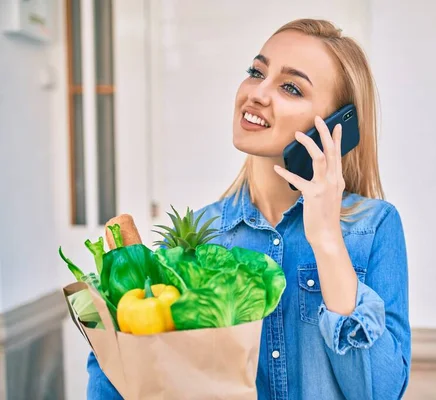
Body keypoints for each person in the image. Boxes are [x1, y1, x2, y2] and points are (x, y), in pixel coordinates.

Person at [86, 18, 411, 400]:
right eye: (256, 72)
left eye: (291, 87)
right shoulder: (198, 234)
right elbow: (121, 370)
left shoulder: (373, 227)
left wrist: (327, 242)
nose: (258, 93)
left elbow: (379, 391)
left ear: (336, 127)